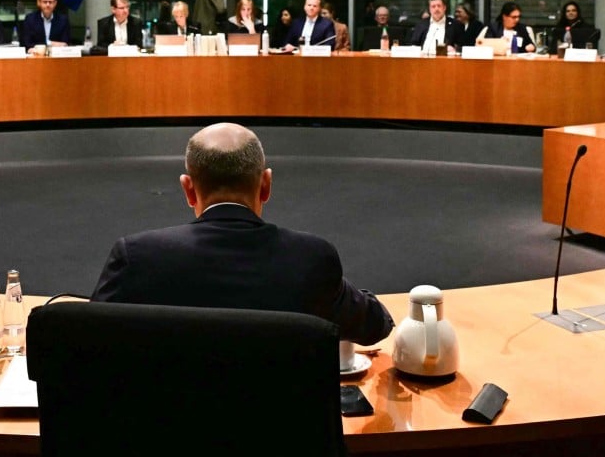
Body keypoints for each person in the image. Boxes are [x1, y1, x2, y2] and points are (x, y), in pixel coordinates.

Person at [90, 122, 394, 346]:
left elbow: (84, 342)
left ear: (188, 189)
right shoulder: (311, 258)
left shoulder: (137, 257)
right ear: (266, 185)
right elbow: (375, 326)